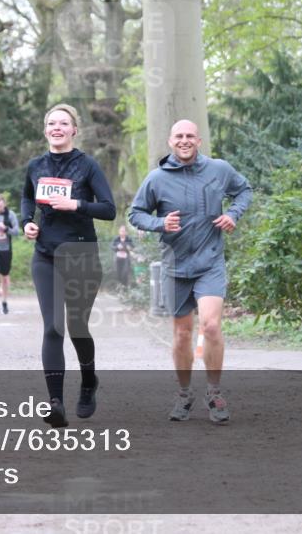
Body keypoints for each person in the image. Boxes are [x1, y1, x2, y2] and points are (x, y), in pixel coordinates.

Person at [128, 119, 252, 424]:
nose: (184, 140)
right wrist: (159, 223)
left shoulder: (219, 169)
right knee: (182, 334)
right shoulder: (157, 178)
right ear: (170, 142)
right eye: (179, 136)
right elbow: (136, 213)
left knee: (210, 326)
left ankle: (214, 392)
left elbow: (244, 191)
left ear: (199, 141)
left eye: (190, 136)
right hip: (175, 266)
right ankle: (184, 394)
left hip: (210, 261)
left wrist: (233, 214)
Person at [22, 104, 116, 427]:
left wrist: (75, 204)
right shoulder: (36, 166)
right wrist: (27, 221)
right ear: (45, 129)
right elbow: (27, 197)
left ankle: (89, 381)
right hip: (45, 255)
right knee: (53, 327)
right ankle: (56, 403)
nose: (57, 128)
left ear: (74, 130)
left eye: (63, 123)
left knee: (77, 327)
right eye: (52, 123)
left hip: (80, 255)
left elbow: (109, 209)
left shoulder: (87, 165)